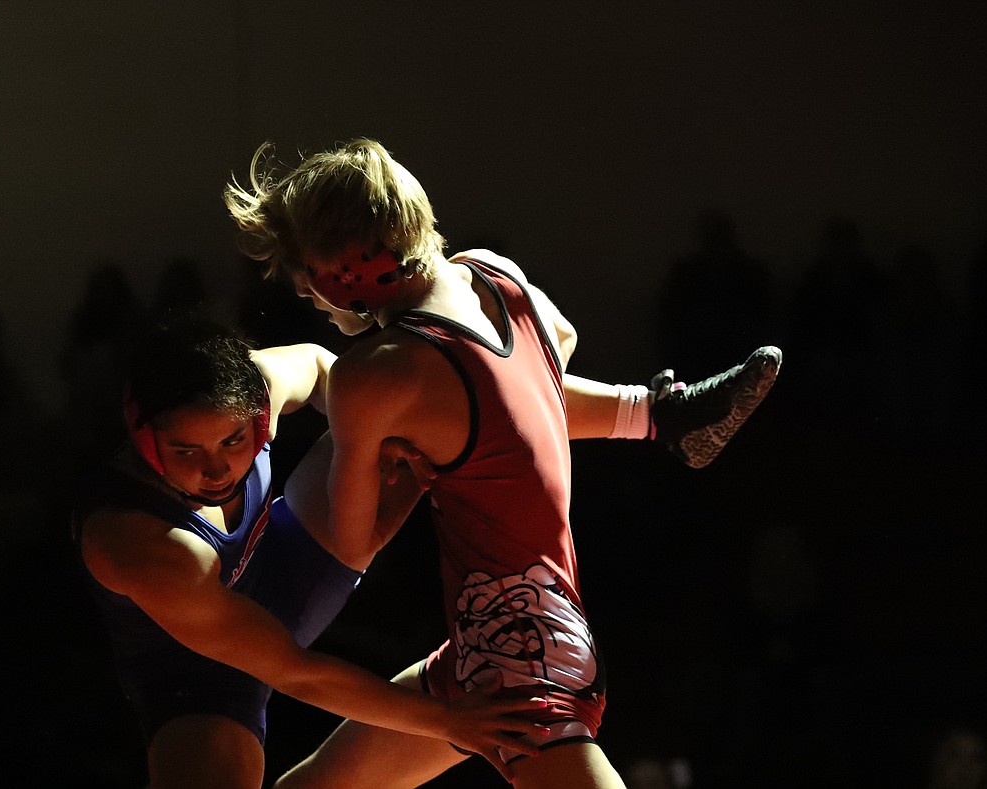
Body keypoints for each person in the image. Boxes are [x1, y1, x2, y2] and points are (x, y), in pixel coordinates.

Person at [224, 137, 781, 788]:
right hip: (508, 639)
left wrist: (401, 470)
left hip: (516, 655)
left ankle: (661, 415)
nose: (306, 296)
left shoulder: (374, 378)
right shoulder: (495, 275)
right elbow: (539, 380)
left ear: (340, 268)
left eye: (303, 278)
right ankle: (660, 413)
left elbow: (351, 543)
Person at [71, 308, 550, 789]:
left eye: (234, 440)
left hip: (289, 560)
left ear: (258, 412)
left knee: (397, 409)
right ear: (143, 439)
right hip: (200, 678)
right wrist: (448, 722)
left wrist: (381, 437)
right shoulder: (140, 541)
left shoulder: (264, 383)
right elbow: (295, 673)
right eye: (186, 452)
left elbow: (328, 371)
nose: (217, 471)